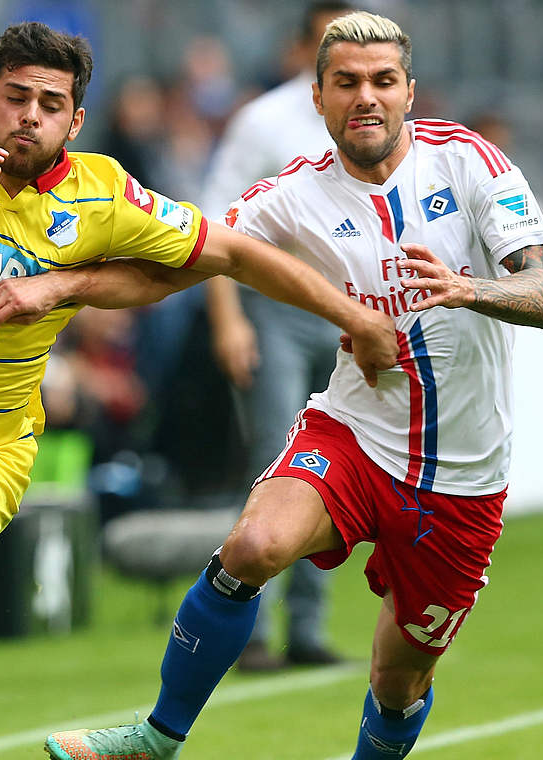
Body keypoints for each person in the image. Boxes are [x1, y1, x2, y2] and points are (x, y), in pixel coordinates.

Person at [0, 21, 396, 760]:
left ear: (75, 121)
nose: (29, 116)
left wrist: (353, 317)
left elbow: (234, 253)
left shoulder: (102, 194)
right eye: (15, 97)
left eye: (51, 104)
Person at [0, 12, 543, 759]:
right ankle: (157, 736)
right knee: (254, 543)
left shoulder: (469, 162)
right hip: (356, 435)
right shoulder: (289, 196)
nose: (366, 97)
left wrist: (469, 290)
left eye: (383, 81)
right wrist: (59, 287)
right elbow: (174, 266)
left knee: (397, 682)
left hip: (464, 478)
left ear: (409, 92)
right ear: (318, 96)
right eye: (347, 82)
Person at [198, 0, 355, 671]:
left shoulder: (373, 120)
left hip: (351, 312)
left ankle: (307, 631)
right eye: (329, 43)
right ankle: (247, 630)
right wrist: (228, 319)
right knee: (277, 462)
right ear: (300, 52)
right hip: (276, 311)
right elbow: (215, 226)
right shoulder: (263, 121)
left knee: (340, 469)